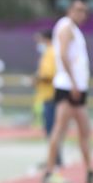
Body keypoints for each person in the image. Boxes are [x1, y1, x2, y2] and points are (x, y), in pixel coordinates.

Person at [42, 0, 93, 183]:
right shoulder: (66, 27)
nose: (82, 14)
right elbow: (63, 55)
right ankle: (50, 171)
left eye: (84, 11)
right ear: (69, 10)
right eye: (78, 10)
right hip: (68, 87)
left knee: (85, 130)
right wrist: (74, 82)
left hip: (77, 87)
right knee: (60, 129)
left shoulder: (74, 29)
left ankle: (90, 170)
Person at [32, 30, 62, 168]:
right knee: (51, 129)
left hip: (51, 96)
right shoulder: (50, 52)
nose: (39, 44)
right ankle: (55, 158)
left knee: (51, 129)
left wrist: (36, 79)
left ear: (46, 39)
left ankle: (54, 159)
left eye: (40, 40)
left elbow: (49, 75)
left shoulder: (51, 52)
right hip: (47, 95)